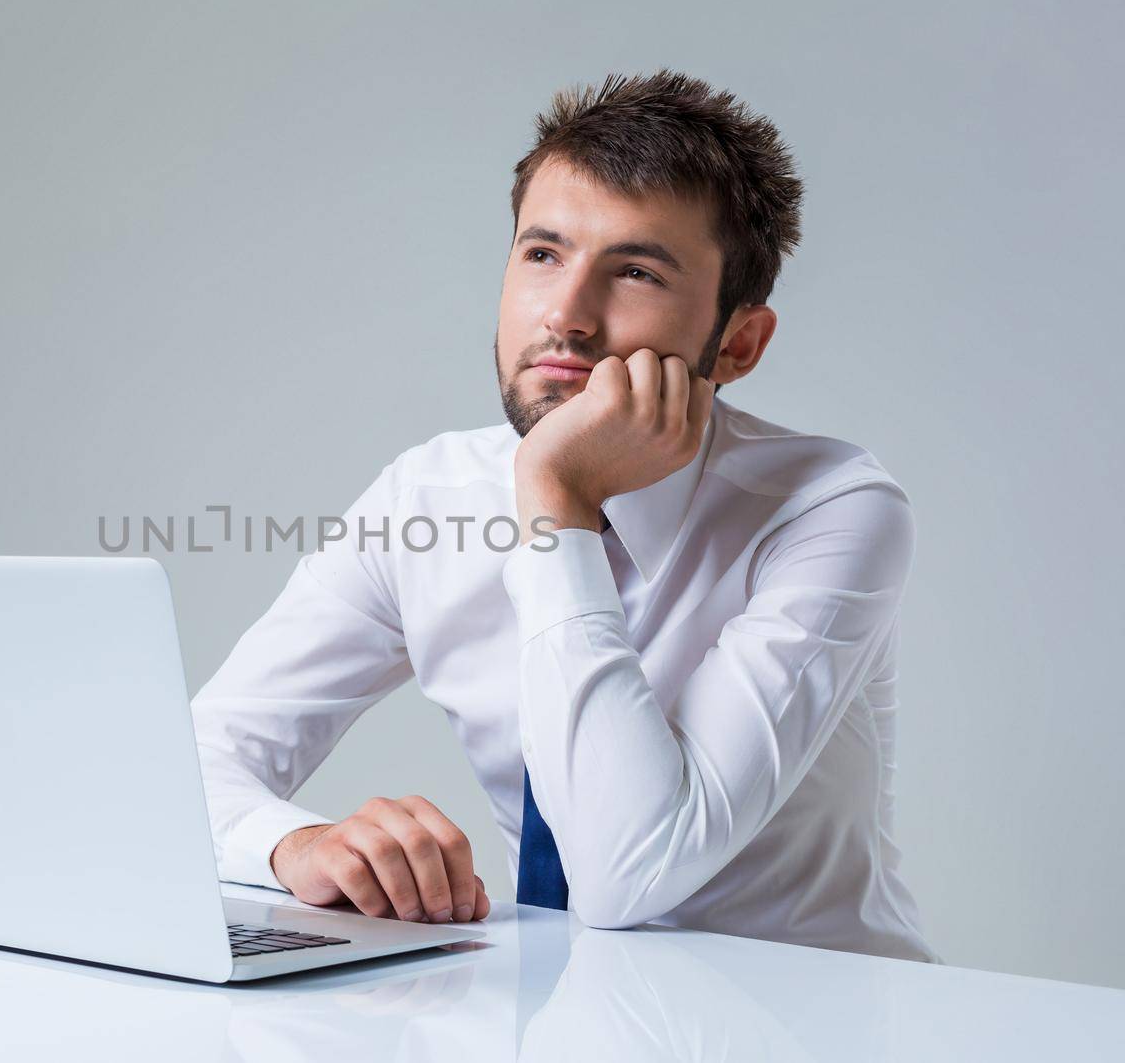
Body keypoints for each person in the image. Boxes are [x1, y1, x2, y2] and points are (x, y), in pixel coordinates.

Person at [189, 67, 938, 963]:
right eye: (542, 254)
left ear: (737, 343)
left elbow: (631, 872)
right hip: (561, 1018)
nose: (566, 318)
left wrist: (558, 501)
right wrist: (291, 846)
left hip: (817, 1027)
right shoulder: (426, 497)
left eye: (634, 272)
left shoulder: (830, 511)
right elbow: (187, 762)